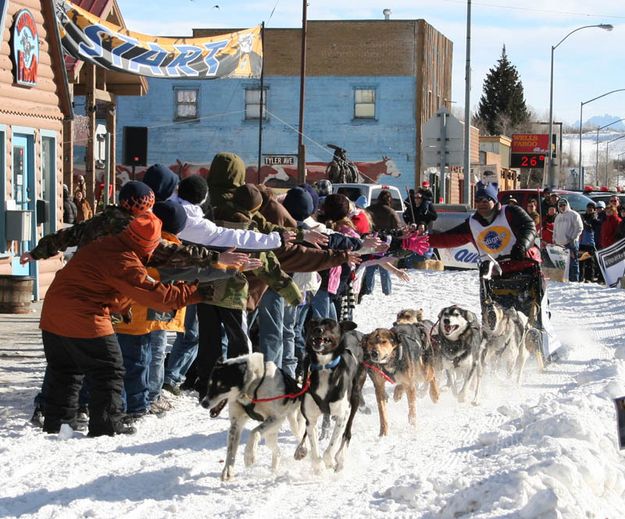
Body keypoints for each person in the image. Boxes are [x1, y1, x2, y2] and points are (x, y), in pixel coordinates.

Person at [40, 212, 203, 437]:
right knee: (109, 369)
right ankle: (107, 425)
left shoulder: (105, 244)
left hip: (52, 313)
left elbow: (104, 286)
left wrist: (121, 308)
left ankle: (58, 424)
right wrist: (196, 292)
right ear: (149, 244)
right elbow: (157, 297)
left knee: (66, 369)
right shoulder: (126, 260)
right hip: (83, 316)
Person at [429, 182, 540, 269]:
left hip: (525, 265)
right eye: (478, 200)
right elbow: (446, 239)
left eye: (486, 200)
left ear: (495, 201)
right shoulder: (472, 224)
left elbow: (529, 227)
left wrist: (522, 245)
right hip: (496, 273)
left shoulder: (511, 212)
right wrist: (421, 241)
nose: (482, 203)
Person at [553, 198, 583, 282]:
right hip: (559, 245)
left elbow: (579, 228)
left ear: (567, 205)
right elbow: (555, 230)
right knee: (563, 265)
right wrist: (554, 239)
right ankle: (565, 280)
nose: (562, 207)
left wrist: (572, 238)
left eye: (564, 205)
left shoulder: (574, 214)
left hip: (571, 243)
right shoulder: (558, 216)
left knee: (573, 263)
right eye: (560, 205)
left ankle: (574, 281)